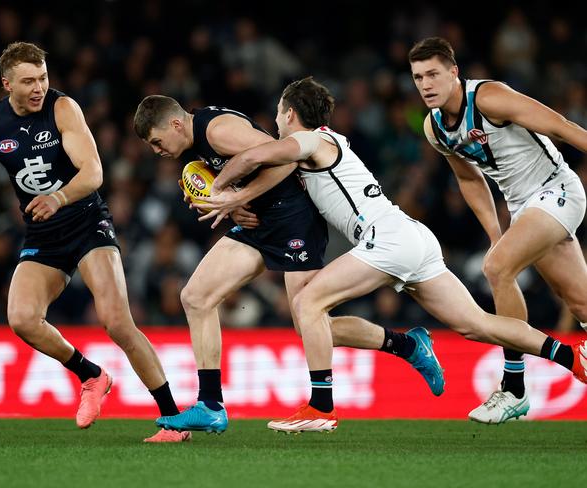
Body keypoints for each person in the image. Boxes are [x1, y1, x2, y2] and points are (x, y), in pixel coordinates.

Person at [194, 77, 587, 432]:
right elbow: (272, 171)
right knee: (476, 324)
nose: (276, 121)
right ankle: (572, 358)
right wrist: (241, 200)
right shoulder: (312, 147)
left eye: (279, 113)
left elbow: (251, 157)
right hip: (410, 236)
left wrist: (220, 194)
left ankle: (321, 406)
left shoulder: (312, 140)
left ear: (290, 112)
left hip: (385, 240)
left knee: (307, 302)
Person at [133, 95, 445, 434]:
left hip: (294, 220)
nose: (156, 150)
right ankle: (210, 405)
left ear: (176, 124)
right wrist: (232, 202)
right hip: (261, 222)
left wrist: (239, 197)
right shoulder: (192, 145)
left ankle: (407, 346)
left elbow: (286, 161)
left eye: (156, 141)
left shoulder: (218, 130)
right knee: (195, 297)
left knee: (308, 322)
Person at [0, 42, 189, 443]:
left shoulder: (63, 109)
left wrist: (59, 197)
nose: (38, 87)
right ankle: (91, 376)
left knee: (117, 322)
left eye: (43, 77)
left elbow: (94, 171)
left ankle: (172, 419)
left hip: (86, 223)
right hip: (43, 235)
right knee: (22, 319)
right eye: (28, 80)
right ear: (6, 83)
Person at [408, 36, 587, 423]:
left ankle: (515, 387)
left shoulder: (488, 99)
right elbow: (470, 180)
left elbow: (561, 126)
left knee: (496, 268)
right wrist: (495, 234)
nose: (425, 84)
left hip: (557, 189)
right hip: (524, 208)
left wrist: (499, 251)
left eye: (433, 74)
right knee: (580, 302)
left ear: (454, 73)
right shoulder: (435, 128)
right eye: (418, 77)